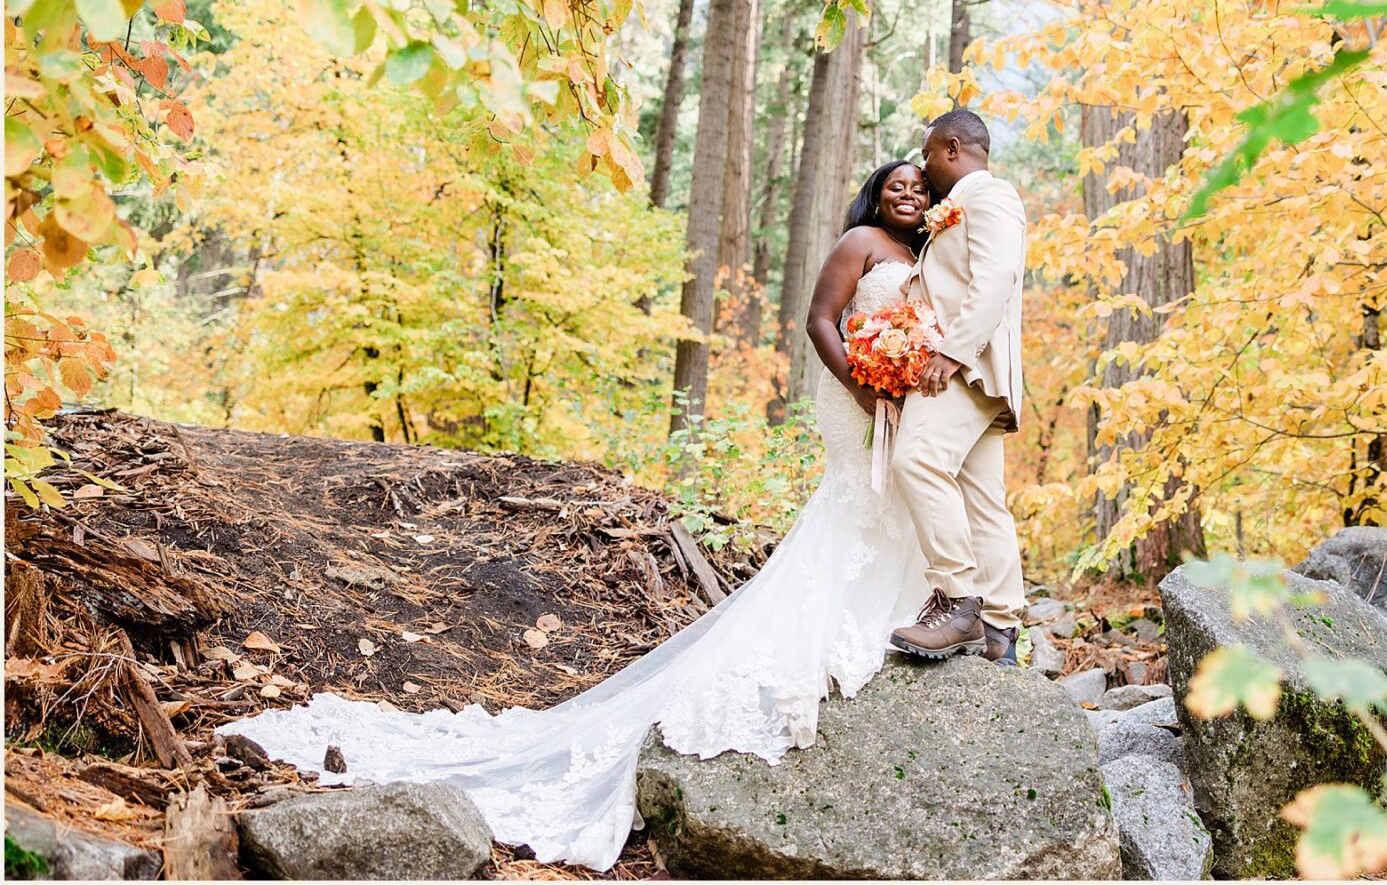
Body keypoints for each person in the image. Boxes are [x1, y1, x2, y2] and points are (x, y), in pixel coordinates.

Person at [219, 159, 952, 872]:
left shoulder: (927, 255)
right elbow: (822, 322)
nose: (910, 195)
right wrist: (861, 381)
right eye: (898, 186)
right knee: (857, 497)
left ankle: (888, 616)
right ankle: (832, 634)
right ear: (876, 196)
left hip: (902, 398)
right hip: (854, 393)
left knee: (897, 498)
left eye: (920, 188)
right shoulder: (859, 245)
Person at [888, 107, 1029, 665]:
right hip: (975, 371)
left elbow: (996, 279)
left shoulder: (990, 196)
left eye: (926, 157)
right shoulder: (961, 207)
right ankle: (1000, 629)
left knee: (916, 461)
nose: (924, 171)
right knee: (983, 500)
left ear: (952, 147)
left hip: (965, 368)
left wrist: (950, 352)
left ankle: (957, 601)